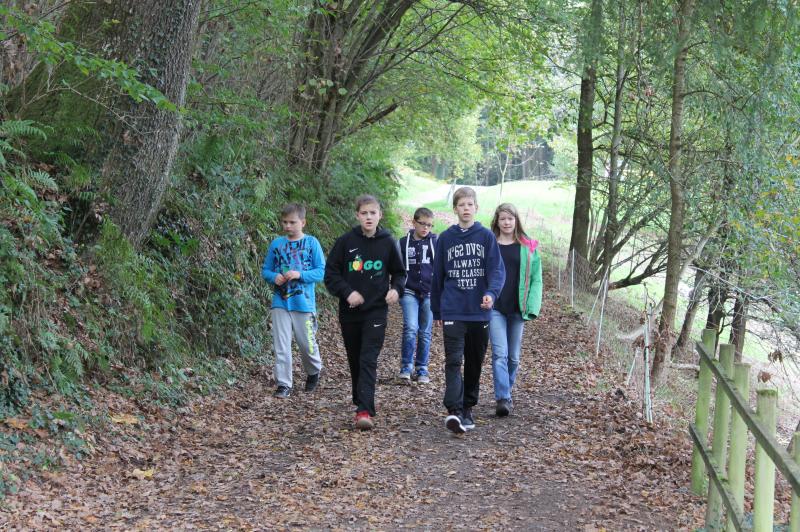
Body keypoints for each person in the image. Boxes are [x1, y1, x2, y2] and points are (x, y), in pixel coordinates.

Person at [324, 195, 406, 430]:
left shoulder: (388, 242)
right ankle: (360, 399)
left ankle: (364, 410)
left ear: (380, 215)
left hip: (376, 311)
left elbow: (400, 273)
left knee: (368, 358)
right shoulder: (345, 242)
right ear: (357, 215)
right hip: (350, 312)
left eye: (373, 213)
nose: (368, 217)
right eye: (364, 213)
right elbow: (331, 274)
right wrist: (347, 292)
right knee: (355, 359)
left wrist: (396, 289)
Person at [431, 186, 505, 434]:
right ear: (455, 209)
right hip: (453, 309)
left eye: (470, 204)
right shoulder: (445, 238)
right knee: (453, 361)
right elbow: (437, 276)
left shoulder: (486, 237)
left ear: (476, 208)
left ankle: (468, 407)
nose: (466, 208)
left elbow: (497, 271)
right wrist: (436, 311)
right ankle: (454, 410)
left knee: (474, 360)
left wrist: (491, 294)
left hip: (479, 310)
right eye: (461, 205)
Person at [261, 203, 325, 399]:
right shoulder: (276, 244)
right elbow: (266, 270)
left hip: (304, 303)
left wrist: (300, 274)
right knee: (281, 345)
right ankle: (284, 384)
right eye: (284, 222)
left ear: (303, 222)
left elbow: (321, 271)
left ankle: (313, 371)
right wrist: (274, 277)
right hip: (280, 302)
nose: (287, 226)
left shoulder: (312, 243)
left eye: (292, 222)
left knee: (307, 344)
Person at [489, 203, 543, 417]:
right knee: (499, 354)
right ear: (497, 221)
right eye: (503, 219)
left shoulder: (528, 247)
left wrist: (532, 306)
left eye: (510, 219)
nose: (506, 222)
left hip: (517, 308)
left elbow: (536, 278)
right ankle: (503, 398)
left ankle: (507, 391)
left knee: (513, 358)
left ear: (516, 220)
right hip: (495, 307)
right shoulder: (490, 244)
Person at [397, 207, 437, 384]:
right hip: (409, 291)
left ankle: (422, 368)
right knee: (411, 327)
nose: (426, 228)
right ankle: (406, 367)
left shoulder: (435, 242)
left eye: (429, 225)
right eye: (422, 224)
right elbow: (396, 268)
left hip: (429, 292)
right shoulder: (403, 243)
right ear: (414, 222)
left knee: (425, 331)